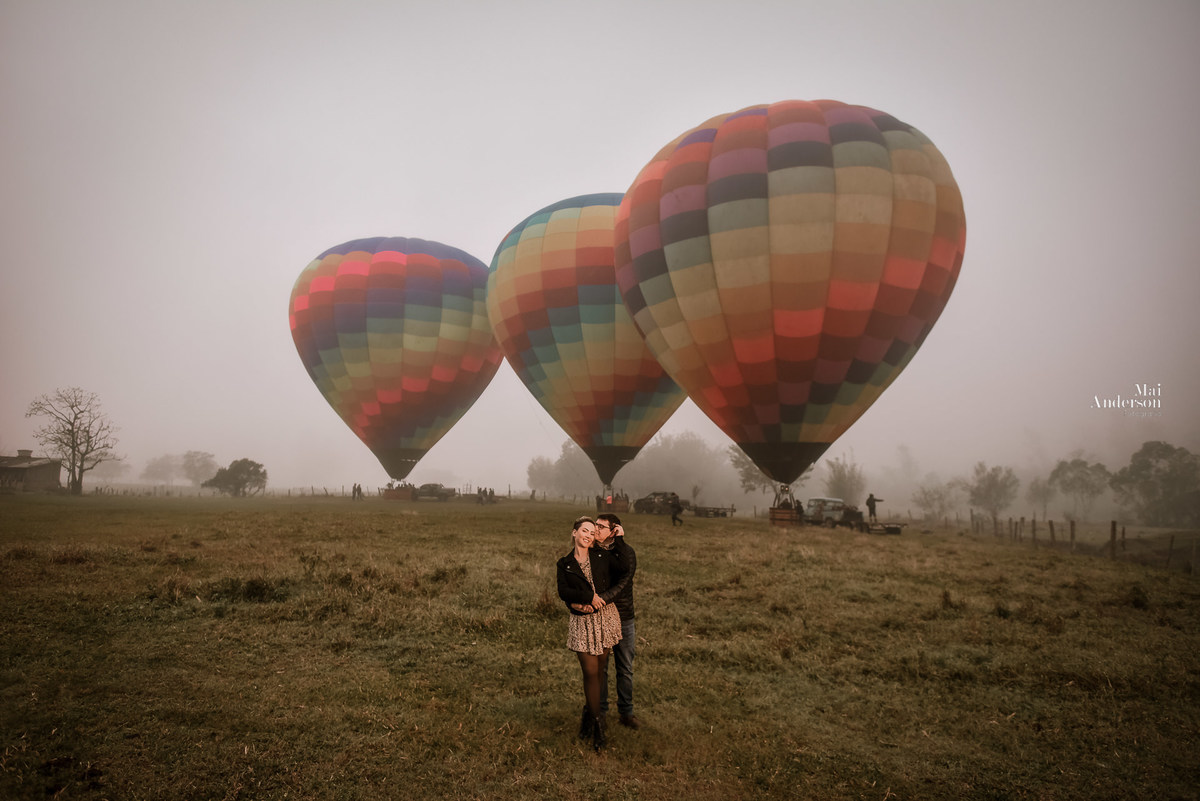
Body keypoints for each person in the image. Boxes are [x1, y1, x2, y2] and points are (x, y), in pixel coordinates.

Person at [556, 515, 622, 751]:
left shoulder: (602, 556)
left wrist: (619, 541)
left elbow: (624, 572)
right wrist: (585, 599)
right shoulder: (564, 564)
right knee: (590, 673)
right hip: (583, 624)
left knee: (601, 670)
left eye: (593, 533)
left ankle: (588, 716)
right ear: (574, 532)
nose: (588, 535)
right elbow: (563, 591)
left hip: (605, 619)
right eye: (585, 530)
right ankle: (598, 728)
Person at [595, 513, 640, 729]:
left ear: (615, 530)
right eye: (596, 525)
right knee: (600, 667)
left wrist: (600, 600)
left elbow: (623, 581)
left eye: (602, 526)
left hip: (623, 617)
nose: (596, 529)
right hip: (601, 618)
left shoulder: (627, 552)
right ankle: (601, 712)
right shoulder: (593, 551)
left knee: (625, 668)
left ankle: (626, 713)